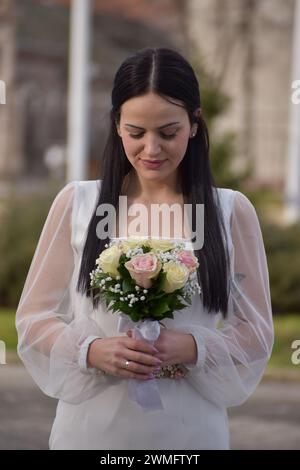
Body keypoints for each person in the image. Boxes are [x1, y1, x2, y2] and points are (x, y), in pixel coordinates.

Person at [15, 47, 274, 450]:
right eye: (136, 132)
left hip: (190, 430)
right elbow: (33, 317)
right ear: (117, 124)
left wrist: (193, 346)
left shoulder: (229, 211)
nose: (151, 149)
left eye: (168, 132)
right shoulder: (78, 203)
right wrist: (91, 350)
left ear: (194, 123)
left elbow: (258, 331)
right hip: (91, 429)